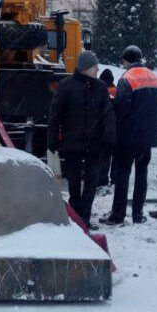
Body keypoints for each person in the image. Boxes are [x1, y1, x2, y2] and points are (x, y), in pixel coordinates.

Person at [48, 51, 115, 229]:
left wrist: (109, 138)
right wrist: (52, 140)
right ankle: (76, 215)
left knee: (92, 181)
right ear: (86, 68)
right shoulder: (66, 86)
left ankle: (83, 217)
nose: (97, 69)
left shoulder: (100, 87)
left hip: (94, 145)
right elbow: (55, 115)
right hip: (72, 144)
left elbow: (108, 114)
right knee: (74, 182)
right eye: (95, 67)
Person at [101, 45, 157, 225]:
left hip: (128, 136)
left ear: (127, 61)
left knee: (122, 174)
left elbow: (121, 108)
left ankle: (118, 215)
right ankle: (138, 214)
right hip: (148, 137)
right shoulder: (154, 78)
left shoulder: (127, 78)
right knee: (141, 174)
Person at [97, 68, 116, 186]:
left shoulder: (99, 92)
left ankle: (101, 180)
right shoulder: (118, 91)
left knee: (103, 157)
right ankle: (114, 179)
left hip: (101, 130)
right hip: (115, 130)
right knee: (115, 157)